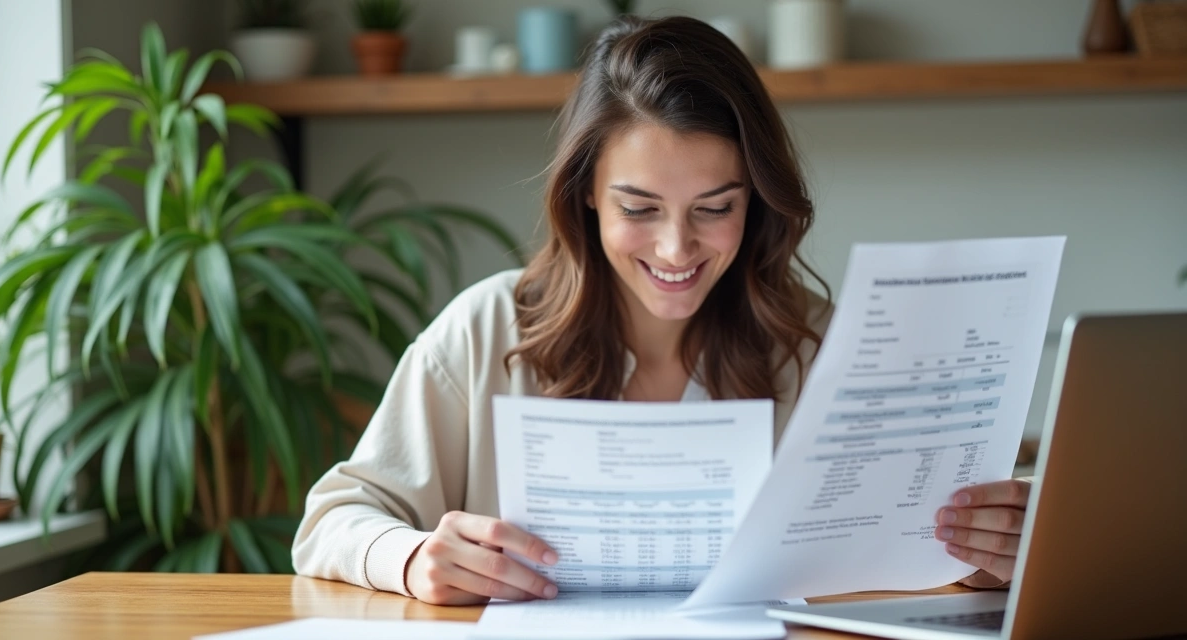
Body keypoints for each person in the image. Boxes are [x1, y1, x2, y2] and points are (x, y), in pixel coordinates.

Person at [292, 15, 1031, 605]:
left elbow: (899, 559)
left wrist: (981, 558)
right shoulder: (486, 330)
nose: (677, 248)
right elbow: (331, 519)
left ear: (756, 202)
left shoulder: (818, 347)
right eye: (639, 208)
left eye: (715, 207)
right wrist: (413, 557)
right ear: (586, 193)